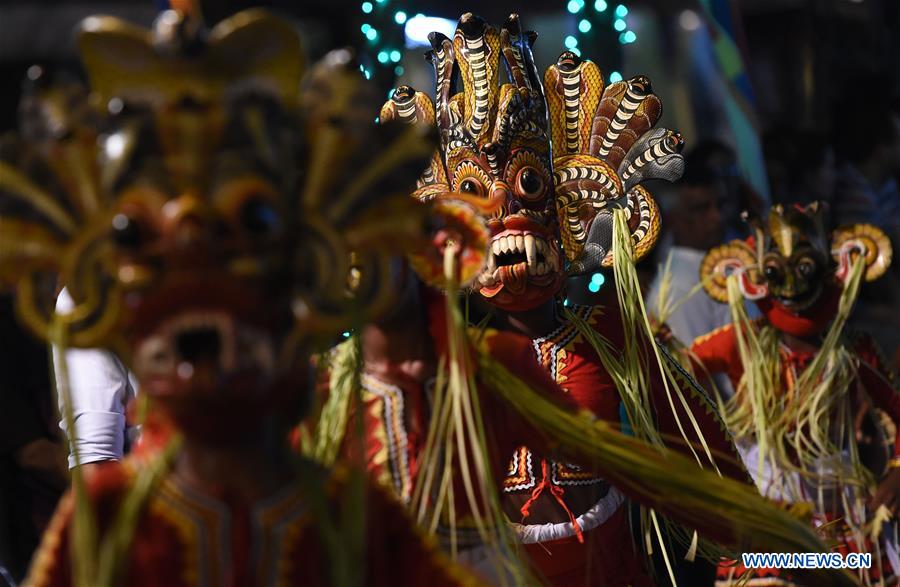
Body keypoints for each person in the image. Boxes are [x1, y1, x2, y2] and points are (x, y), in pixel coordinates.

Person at [4, 8, 478, 586]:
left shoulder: (345, 511)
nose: (196, 239)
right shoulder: (111, 513)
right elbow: (95, 451)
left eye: (246, 228)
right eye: (144, 237)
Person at [693, 202, 899, 586]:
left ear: (832, 269)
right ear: (755, 277)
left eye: (805, 269)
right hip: (767, 516)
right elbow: (679, 376)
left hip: (840, 514)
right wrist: (712, 454)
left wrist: (896, 474)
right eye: (776, 273)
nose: (792, 286)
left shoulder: (855, 349)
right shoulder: (742, 341)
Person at [53, 288, 137, 470]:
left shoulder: (87, 292)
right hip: (163, 482)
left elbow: (96, 450)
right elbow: (97, 452)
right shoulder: (89, 293)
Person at [648, 162, 731, 345]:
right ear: (672, 218)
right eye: (701, 209)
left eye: (721, 205)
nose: (717, 217)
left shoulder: (720, 261)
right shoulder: (677, 288)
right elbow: (694, 366)